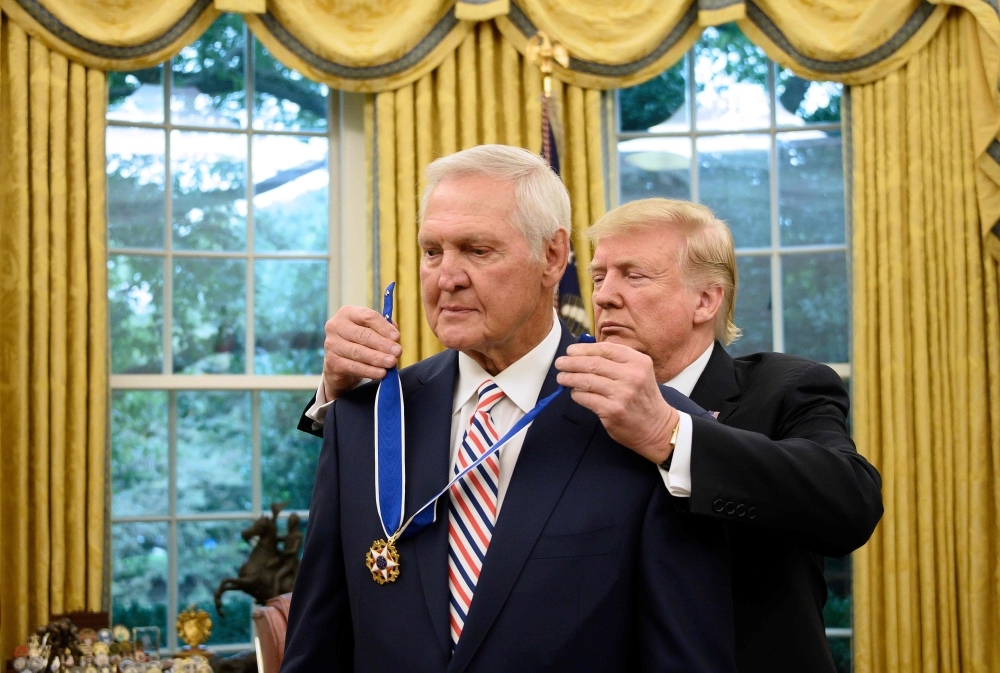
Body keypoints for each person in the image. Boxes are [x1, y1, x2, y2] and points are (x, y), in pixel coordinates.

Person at [308, 194, 883, 673]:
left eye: (634, 275)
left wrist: (669, 433)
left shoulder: (786, 388)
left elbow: (849, 503)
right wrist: (340, 403)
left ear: (706, 299)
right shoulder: (556, 396)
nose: (604, 293)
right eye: (601, 273)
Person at [283, 147, 737, 672]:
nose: (446, 277)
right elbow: (317, 645)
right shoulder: (361, 419)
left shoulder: (656, 429)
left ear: (552, 257)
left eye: (477, 250)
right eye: (433, 252)